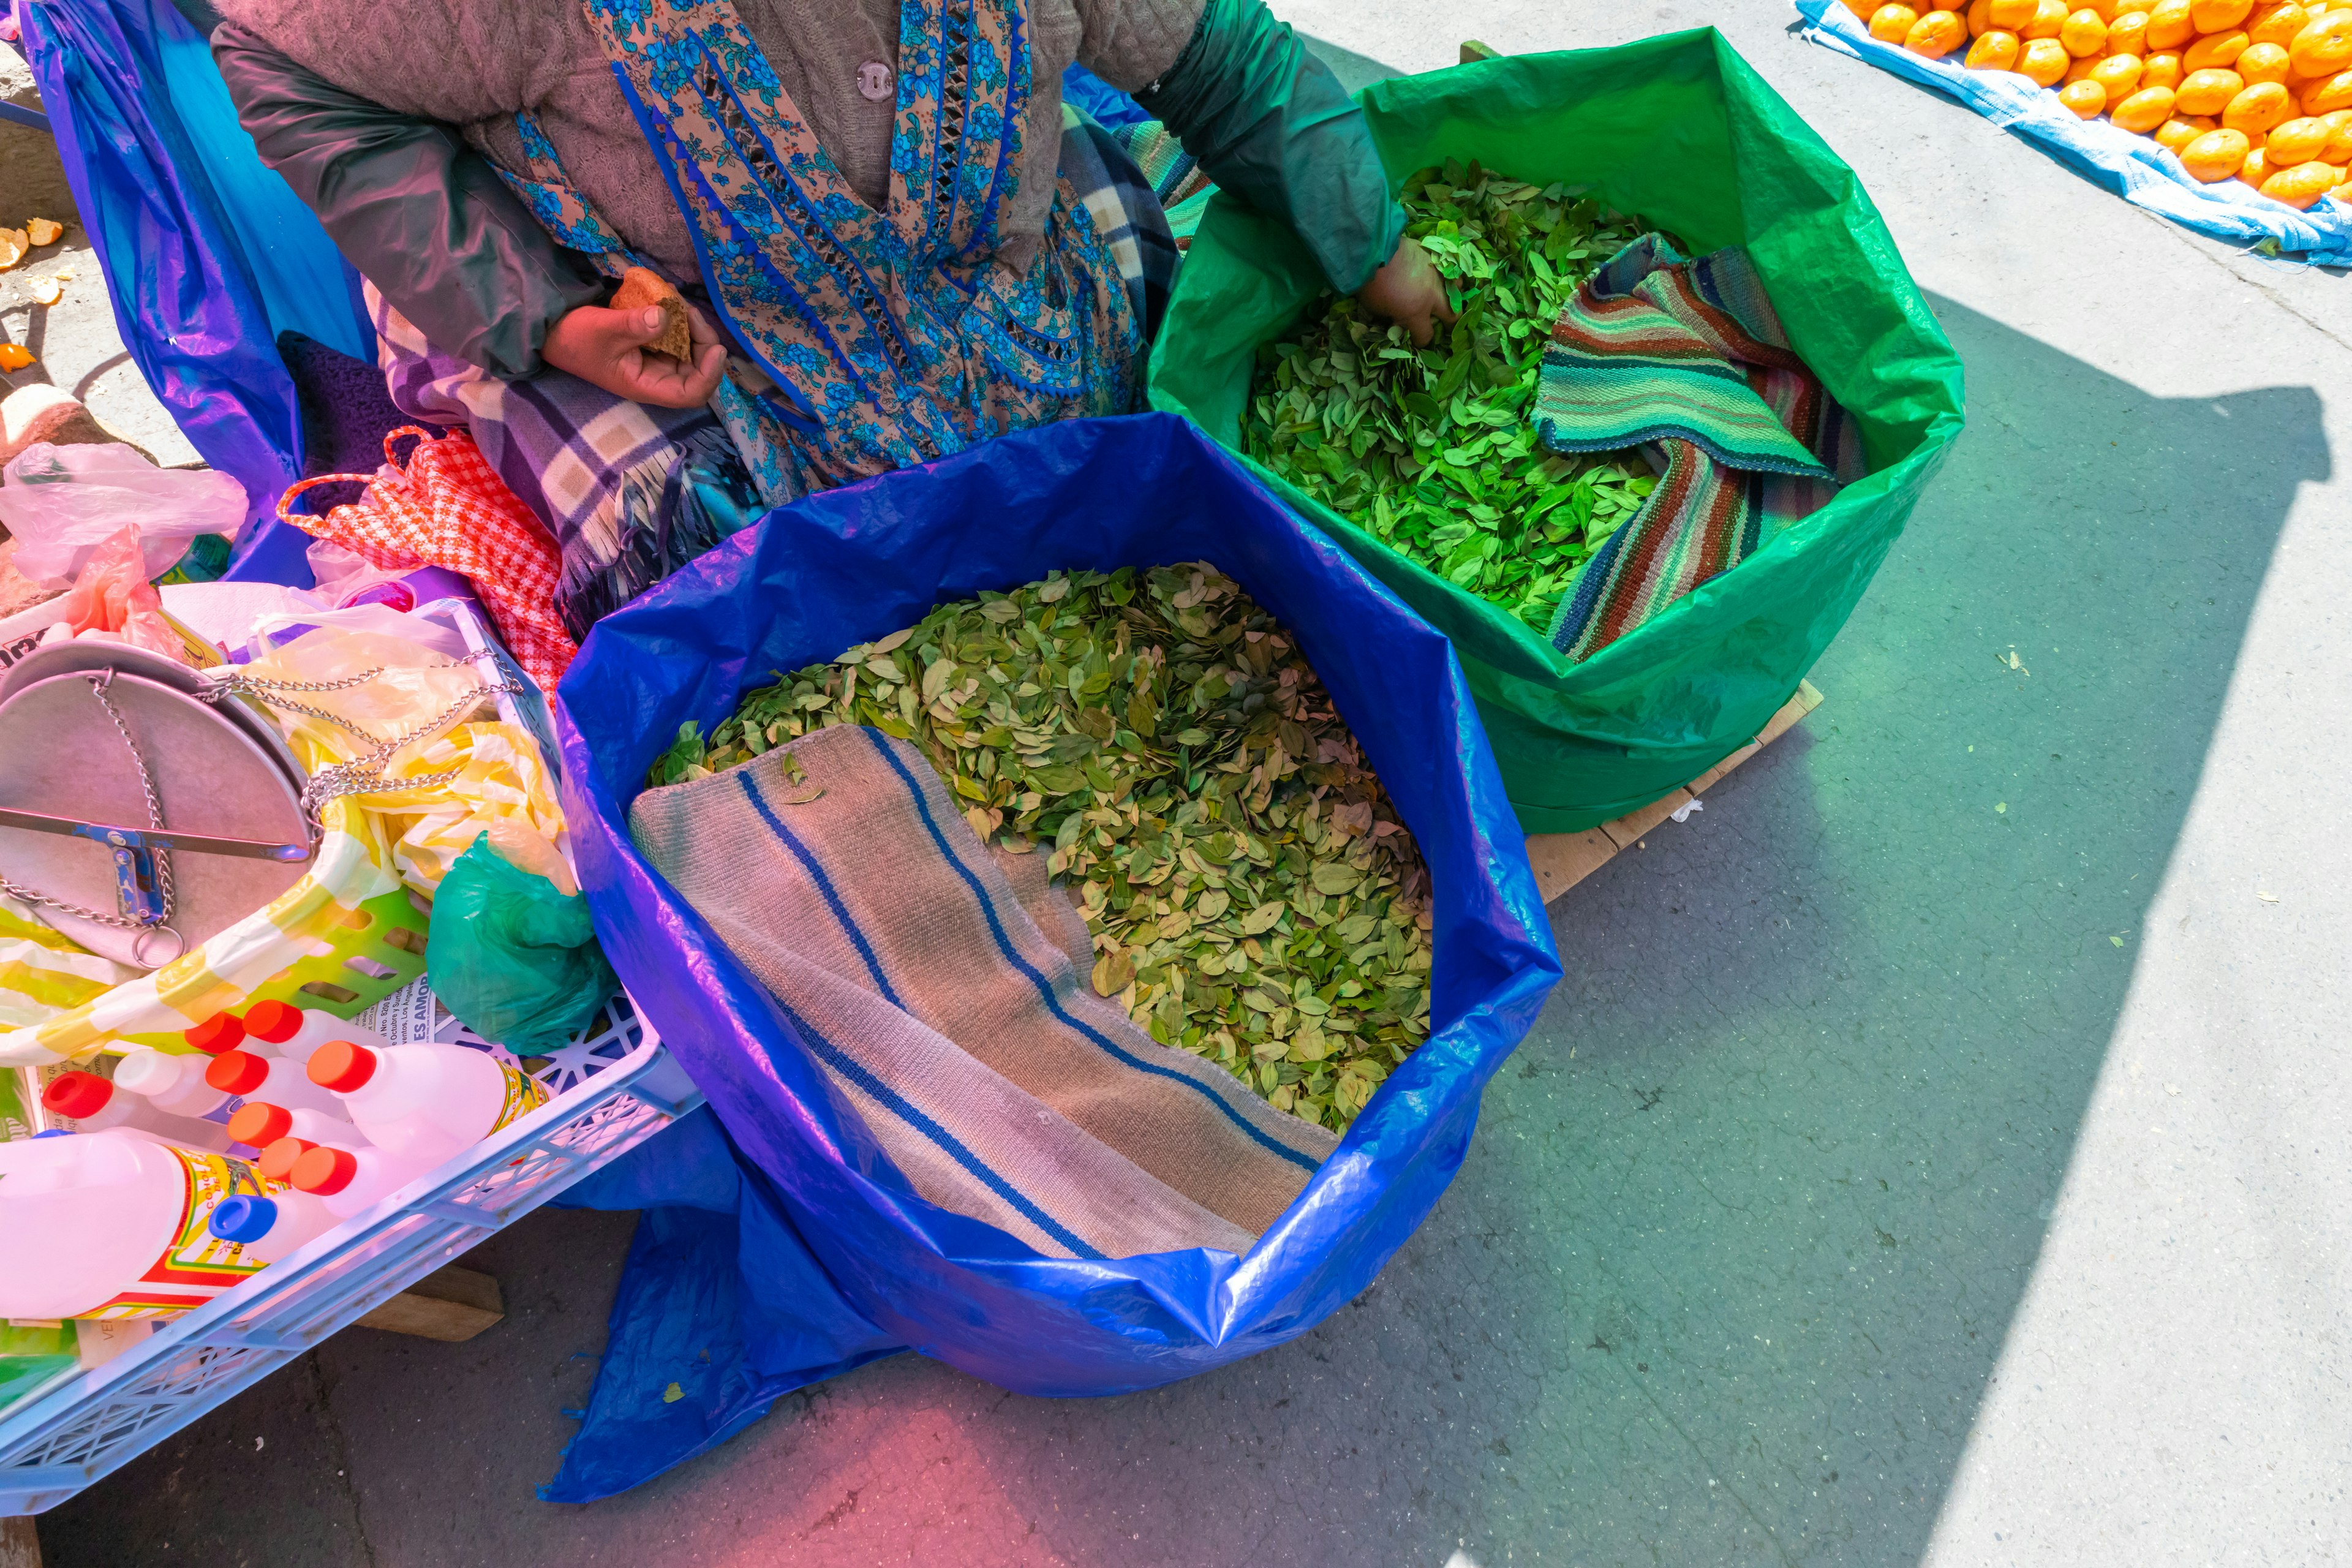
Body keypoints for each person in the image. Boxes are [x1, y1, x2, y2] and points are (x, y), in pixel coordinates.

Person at [190, 0, 1453, 631]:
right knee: (716, 584)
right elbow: (293, 74)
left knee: (1156, 436)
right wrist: (545, 311)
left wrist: (1371, 243)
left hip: (980, 249)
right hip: (682, 332)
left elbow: (1215, 61)